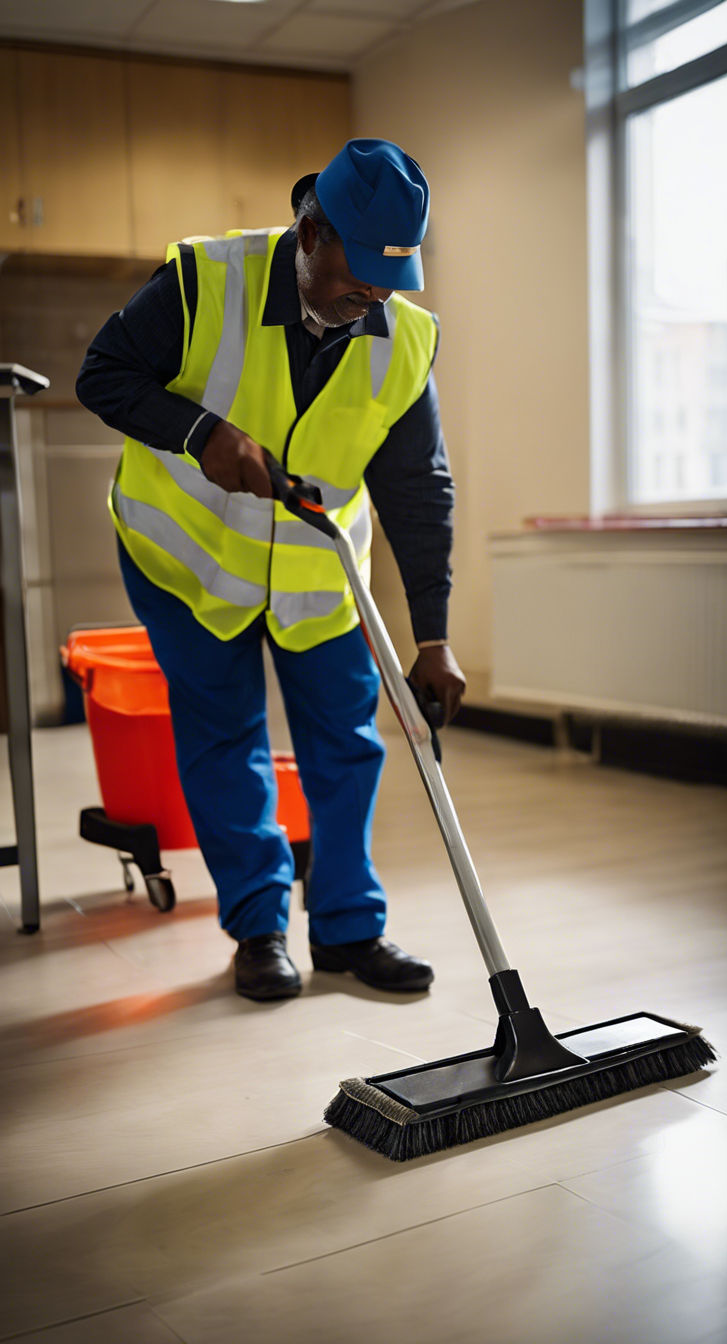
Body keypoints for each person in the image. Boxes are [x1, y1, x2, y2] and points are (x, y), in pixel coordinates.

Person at [77, 138, 465, 1002]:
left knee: (347, 743)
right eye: (358, 270)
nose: (373, 295)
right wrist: (200, 432)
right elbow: (101, 374)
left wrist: (433, 637)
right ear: (310, 229)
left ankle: (348, 930)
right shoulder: (204, 281)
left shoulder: (402, 339)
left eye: (391, 277)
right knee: (226, 738)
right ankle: (258, 927)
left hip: (318, 572)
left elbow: (415, 490)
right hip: (187, 560)